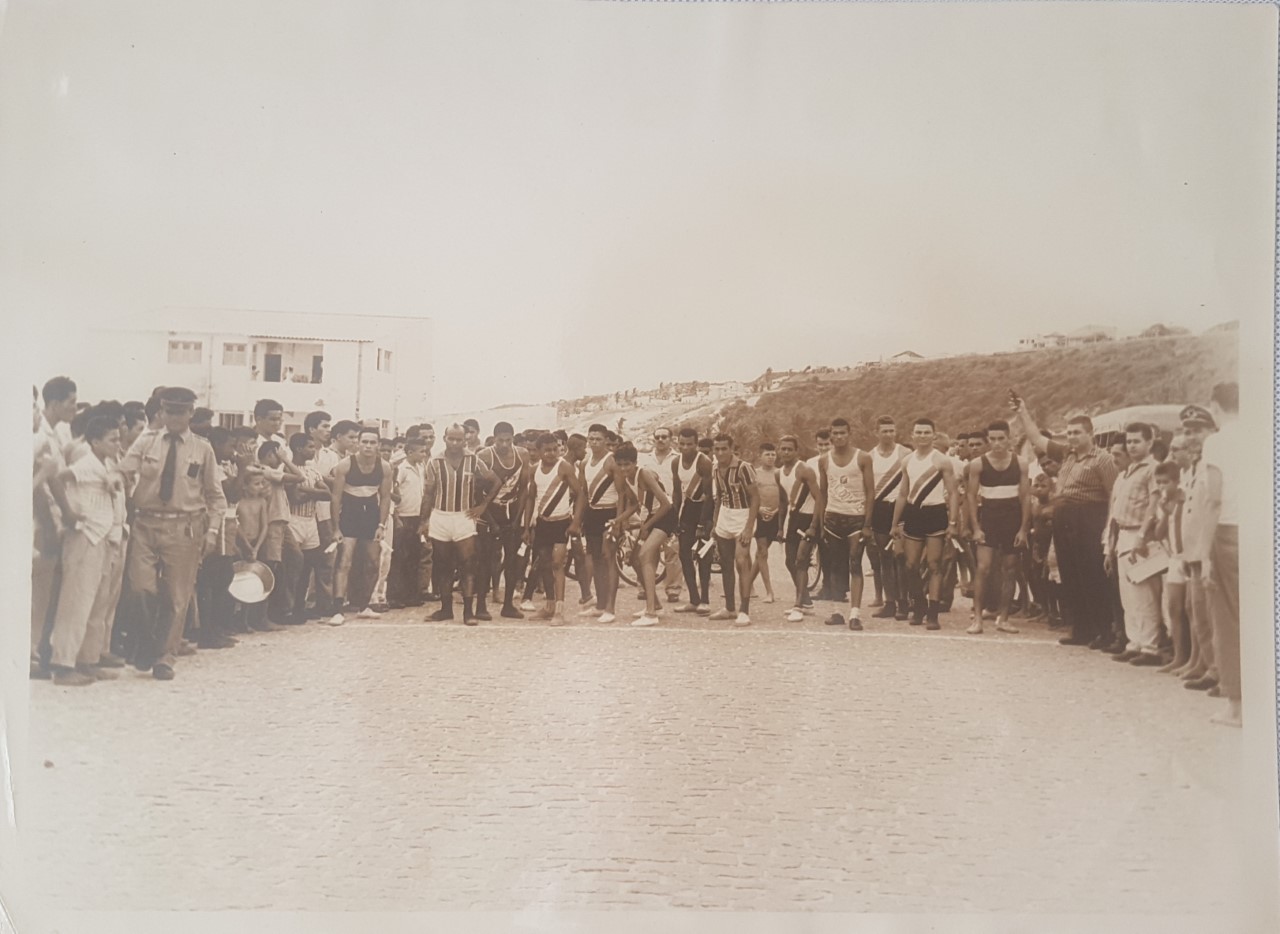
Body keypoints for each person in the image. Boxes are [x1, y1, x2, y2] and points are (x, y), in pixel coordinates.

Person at [116, 386, 227, 680]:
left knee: (177, 597)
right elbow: (122, 472)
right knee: (141, 589)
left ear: (191, 413)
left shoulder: (203, 448)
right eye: (169, 411)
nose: (175, 417)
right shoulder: (146, 442)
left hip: (185, 527)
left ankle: (165, 657)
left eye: (181, 411)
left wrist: (213, 531)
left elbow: (216, 497)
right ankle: (146, 643)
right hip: (146, 524)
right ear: (161, 412)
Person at [1012, 396, 1117, 648]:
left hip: (1090, 517)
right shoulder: (1067, 454)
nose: (1072, 437)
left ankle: (1103, 631)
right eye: (1069, 432)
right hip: (1065, 518)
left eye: (1077, 433)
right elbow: (1037, 439)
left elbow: (1113, 493)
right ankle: (1081, 629)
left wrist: (1107, 529)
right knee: (1071, 576)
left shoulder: (1102, 459)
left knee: (1092, 575)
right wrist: (1022, 412)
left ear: (1090, 434)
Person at [46, 415, 128, 686]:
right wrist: (68, 513)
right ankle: (62, 664)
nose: (117, 443)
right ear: (95, 441)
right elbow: (57, 477)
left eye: (118, 438)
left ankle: (88, 661)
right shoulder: (86, 463)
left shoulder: (105, 464)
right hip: (85, 536)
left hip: (102, 538)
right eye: (112, 439)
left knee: (96, 603)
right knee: (76, 603)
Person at [1186, 384, 1240, 727]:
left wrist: (1204, 553)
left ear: (1215, 407)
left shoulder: (1218, 441)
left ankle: (1236, 706)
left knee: (1228, 621)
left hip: (1229, 532)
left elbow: (1214, 499)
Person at [423, 424, 498, 625]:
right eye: (451, 439)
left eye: (459, 439)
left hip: (463, 517)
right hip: (440, 516)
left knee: (468, 564)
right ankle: (446, 609)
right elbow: (429, 493)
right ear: (444, 438)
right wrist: (424, 520)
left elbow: (496, 481)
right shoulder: (434, 462)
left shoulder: (473, 459)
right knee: (443, 565)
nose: (455, 443)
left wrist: (483, 506)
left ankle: (468, 612)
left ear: (465, 439)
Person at [891, 417, 961, 630]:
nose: (922, 436)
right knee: (911, 565)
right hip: (914, 514)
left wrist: (952, 522)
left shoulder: (941, 461)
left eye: (926, 432)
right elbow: (903, 493)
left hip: (935, 513)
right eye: (918, 432)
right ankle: (918, 604)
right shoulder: (907, 461)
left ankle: (933, 613)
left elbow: (954, 493)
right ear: (912, 435)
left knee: (934, 565)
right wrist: (895, 524)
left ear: (933, 435)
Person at [31, 377, 81, 677]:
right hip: (44, 520)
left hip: (53, 520)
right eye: (71, 403)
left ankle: (40, 651)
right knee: (41, 593)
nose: (74, 408)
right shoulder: (41, 437)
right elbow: (53, 482)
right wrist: (68, 514)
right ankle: (35, 654)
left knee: (48, 592)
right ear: (53, 403)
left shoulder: (58, 434)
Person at [1104, 423, 1162, 665]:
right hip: (1123, 536)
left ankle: (1150, 647)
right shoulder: (1123, 474)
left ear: (1149, 443)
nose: (1132, 446)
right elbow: (1113, 513)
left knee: (1144, 594)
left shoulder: (1153, 469)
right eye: (1129, 442)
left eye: (1137, 441)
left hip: (1142, 535)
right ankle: (1134, 641)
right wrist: (1109, 546)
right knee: (1128, 595)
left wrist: (1143, 536)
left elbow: (1154, 503)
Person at [964, 420, 1030, 635]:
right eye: (992, 439)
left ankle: (1003, 618)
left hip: (1012, 520)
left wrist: (1023, 529)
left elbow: (1025, 497)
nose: (997, 443)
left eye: (1001, 438)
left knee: (1009, 570)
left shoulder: (1020, 463)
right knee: (983, 569)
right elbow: (971, 497)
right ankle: (978, 619)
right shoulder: (978, 464)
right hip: (989, 520)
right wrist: (976, 527)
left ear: (1009, 438)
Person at [328, 426, 393, 625]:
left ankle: (364, 605)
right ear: (358, 443)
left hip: (371, 515)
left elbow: (385, 498)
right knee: (344, 562)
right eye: (364, 442)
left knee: (373, 562)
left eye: (373, 442)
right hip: (350, 514)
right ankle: (338, 609)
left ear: (378, 445)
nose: (368, 446)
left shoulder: (384, 467)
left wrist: (381, 525)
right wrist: (336, 528)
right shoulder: (345, 465)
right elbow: (336, 498)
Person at [815, 418, 876, 630]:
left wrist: (868, 524)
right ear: (830, 435)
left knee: (855, 563)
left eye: (843, 433)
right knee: (834, 566)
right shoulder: (824, 460)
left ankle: (855, 614)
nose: (839, 437)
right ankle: (837, 611)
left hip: (856, 519)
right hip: (833, 517)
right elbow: (822, 493)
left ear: (849, 434)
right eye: (835, 433)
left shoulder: (863, 457)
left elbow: (870, 492)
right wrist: (821, 522)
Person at [523, 433, 585, 624]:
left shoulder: (564, 467)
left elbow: (581, 494)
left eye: (554, 449)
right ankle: (549, 607)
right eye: (547, 450)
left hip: (561, 522)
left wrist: (575, 523)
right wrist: (526, 527)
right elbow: (530, 498)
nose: (551, 453)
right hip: (543, 523)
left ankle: (559, 610)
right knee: (544, 565)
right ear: (539, 451)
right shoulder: (534, 470)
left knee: (558, 564)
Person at [613, 442, 675, 627]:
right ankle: (655, 604)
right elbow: (634, 505)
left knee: (644, 555)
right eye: (620, 464)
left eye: (627, 464)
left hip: (665, 517)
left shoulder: (644, 474)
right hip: (652, 519)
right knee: (637, 561)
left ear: (634, 462)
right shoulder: (626, 478)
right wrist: (618, 520)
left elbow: (666, 504)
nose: (624, 468)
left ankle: (650, 613)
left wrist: (646, 525)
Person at [477, 422, 530, 619]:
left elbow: (524, 488)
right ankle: (481, 606)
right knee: (485, 562)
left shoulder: (522, 454)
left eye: (509, 440)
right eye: (501, 440)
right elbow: (477, 493)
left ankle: (508, 605)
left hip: (511, 513)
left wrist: (518, 518)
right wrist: (491, 522)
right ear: (494, 438)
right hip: (489, 514)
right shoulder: (484, 456)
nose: (505, 445)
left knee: (512, 561)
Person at [708, 434, 759, 626]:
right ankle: (729, 608)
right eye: (717, 449)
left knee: (741, 561)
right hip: (724, 515)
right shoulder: (715, 468)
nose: (720, 452)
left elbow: (755, 497)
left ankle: (744, 610)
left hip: (742, 515)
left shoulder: (743, 468)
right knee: (725, 563)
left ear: (731, 449)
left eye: (724, 449)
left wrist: (748, 527)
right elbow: (720, 496)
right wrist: (715, 523)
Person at [1148, 459, 1190, 675]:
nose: (1162, 487)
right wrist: (1164, 513)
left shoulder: (1185, 498)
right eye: (1159, 483)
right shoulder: (1163, 503)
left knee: (1190, 609)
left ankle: (1193, 658)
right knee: (1174, 608)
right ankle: (1179, 656)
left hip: (1188, 557)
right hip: (1174, 558)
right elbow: (1158, 534)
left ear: (1176, 481)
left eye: (1166, 482)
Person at [868, 416, 911, 622]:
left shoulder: (905, 454)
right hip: (879, 509)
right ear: (876, 432)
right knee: (884, 558)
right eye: (884, 431)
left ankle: (904, 602)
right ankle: (890, 602)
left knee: (900, 557)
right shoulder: (870, 456)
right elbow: (868, 488)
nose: (888, 434)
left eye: (892, 430)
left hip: (900, 509)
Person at [777, 435, 824, 623]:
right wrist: (780, 527)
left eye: (790, 449)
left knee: (801, 561)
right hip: (794, 519)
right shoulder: (778, 472)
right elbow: (782, 501)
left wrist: (815, 525)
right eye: (783, 449)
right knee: (790, 562)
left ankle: (798, 605)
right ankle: (807, 602)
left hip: (809, 518)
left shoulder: (805, 470)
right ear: (779, 450)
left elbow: (819, 498)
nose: (786, 452)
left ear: (796, 451)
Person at [579, 424, 623, 623]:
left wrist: (618, 522)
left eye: (598, 439)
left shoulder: (612, 462)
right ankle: (600, 605)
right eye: (591, 439)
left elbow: (622, 494)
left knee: (609, 560)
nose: (594, 442)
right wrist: (578, 518)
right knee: (596, 560)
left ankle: (610, 609)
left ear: (606, 440)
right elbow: (583, 493)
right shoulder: (586, 462)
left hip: (609, 514)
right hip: (592, 515)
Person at [286, 433, 331, 624]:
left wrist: (306, 490)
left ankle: (299, 607)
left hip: (310, 519)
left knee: (308, 565)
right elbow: (294, 498)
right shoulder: (288, 468)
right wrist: (314, 493)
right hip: (294, 520)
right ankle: (287, 609)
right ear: (298, 448)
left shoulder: (312, 471)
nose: (314, 450)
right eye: (310, 447)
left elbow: (327, 494)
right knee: (293, 566)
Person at [672, 427, 715, 615]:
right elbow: (676, 492)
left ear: (696, 445)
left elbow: (708, 495)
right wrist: (675, 518)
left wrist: (702, 524)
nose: (685, 448)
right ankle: (693, 599)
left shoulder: (704, 462)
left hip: (704, 511)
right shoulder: (675, 462)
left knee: (703, 555)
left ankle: (705, 600)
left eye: (689, 444)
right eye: (682, 444)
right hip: (688, 510)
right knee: (683, 554)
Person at [638, 426, 682, 606]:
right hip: (651, 509)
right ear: (653, 439)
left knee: (672, 551)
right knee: (649, 550)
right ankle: (645, 587)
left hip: (672, 509)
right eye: (658, 437)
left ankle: (673, 589)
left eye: (665, 437)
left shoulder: (678, 459)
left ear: (671, 439)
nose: (661, 440)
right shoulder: (645, 460)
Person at [388, 437, 429, 610]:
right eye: (421, 451)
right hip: (403, 517)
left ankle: (411, 594)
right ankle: (395, 596)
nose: (424, 454)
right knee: (399, 558)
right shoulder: (402, 469)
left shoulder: (421, 467)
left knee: (414, 557)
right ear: (410, 452)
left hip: (416, 517)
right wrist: (396, 516)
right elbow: (393, 491)